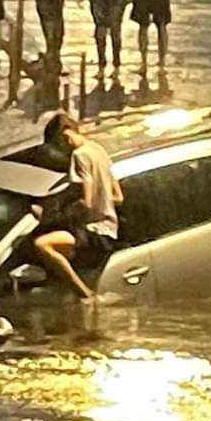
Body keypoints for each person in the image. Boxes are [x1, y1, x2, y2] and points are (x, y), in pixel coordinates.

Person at [32, 112, 123, 300]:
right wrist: (102, 202)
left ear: (64, 136)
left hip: (94, 231)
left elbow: (86, 202)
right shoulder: (98, 150)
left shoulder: (79, 156)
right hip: (110, 231)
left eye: (58, 146)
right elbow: (118, 196)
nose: (61, 152)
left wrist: (51, 216)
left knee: (42, 245)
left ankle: (84, 294)